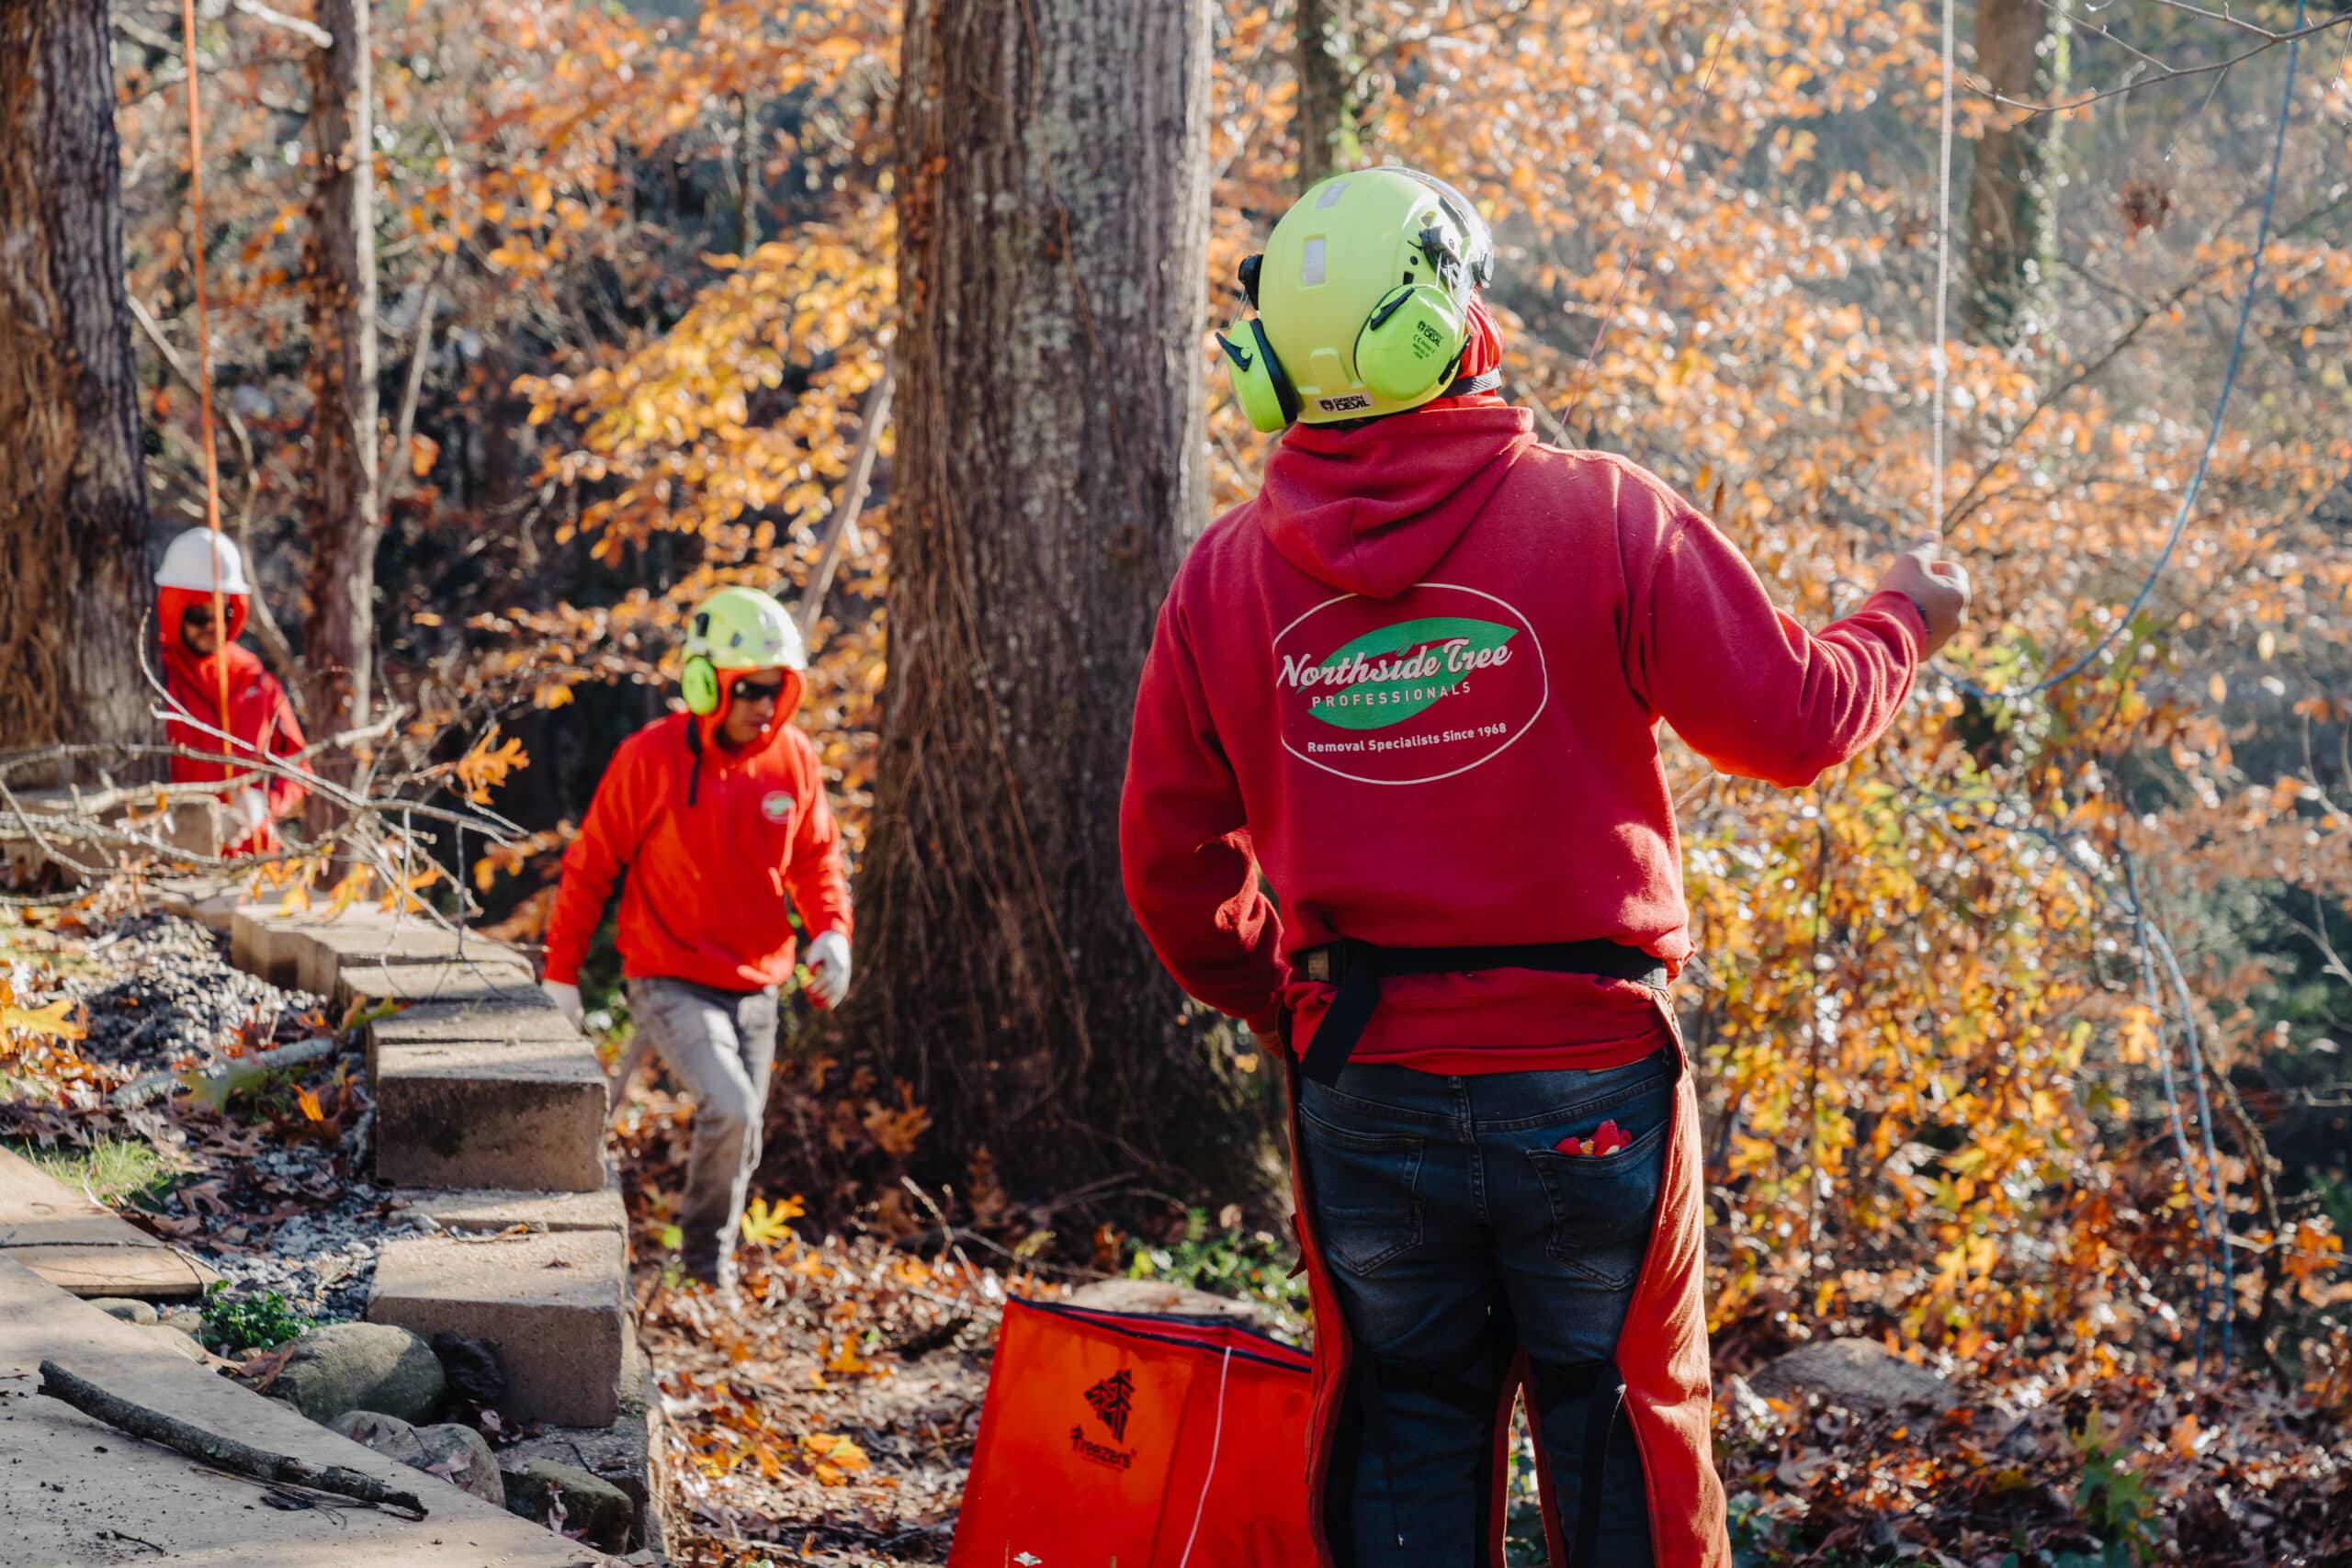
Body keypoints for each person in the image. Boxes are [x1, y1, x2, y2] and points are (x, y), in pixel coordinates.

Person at [1119, 167, 1969, 1568]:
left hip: (1365, 1078)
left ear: (1278, 365)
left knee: (1398, 1431)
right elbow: (1798, 721)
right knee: (1625, 1431)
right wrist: (1902, 620)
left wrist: (1288, 994)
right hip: (1593, 1084)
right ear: (1446, 322)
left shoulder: (1223, 578)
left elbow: (1171, 867)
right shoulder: (1608, 516)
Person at [539, 585, 853, 1296]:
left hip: (759, 980)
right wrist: (561, 973)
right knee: (733, 1106)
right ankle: (705, 1269)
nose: (763, 707)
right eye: (748, 690)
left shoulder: (793, 758)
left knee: (746, 1130)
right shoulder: (649, 758)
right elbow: (591, 864)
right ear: (707, 681)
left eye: (776, 690)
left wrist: (832, 932)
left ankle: (711, 1264)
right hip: (667, 974)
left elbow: (816, 857)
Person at [154, 527, 309, 856]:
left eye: (223, 614)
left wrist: (261, 804)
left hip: (256, 861)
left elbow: (297, 766)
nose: (213, 627)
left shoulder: (257, 683)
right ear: (173, 609)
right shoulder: (154, 679)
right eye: (199, 616)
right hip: (180, 859)